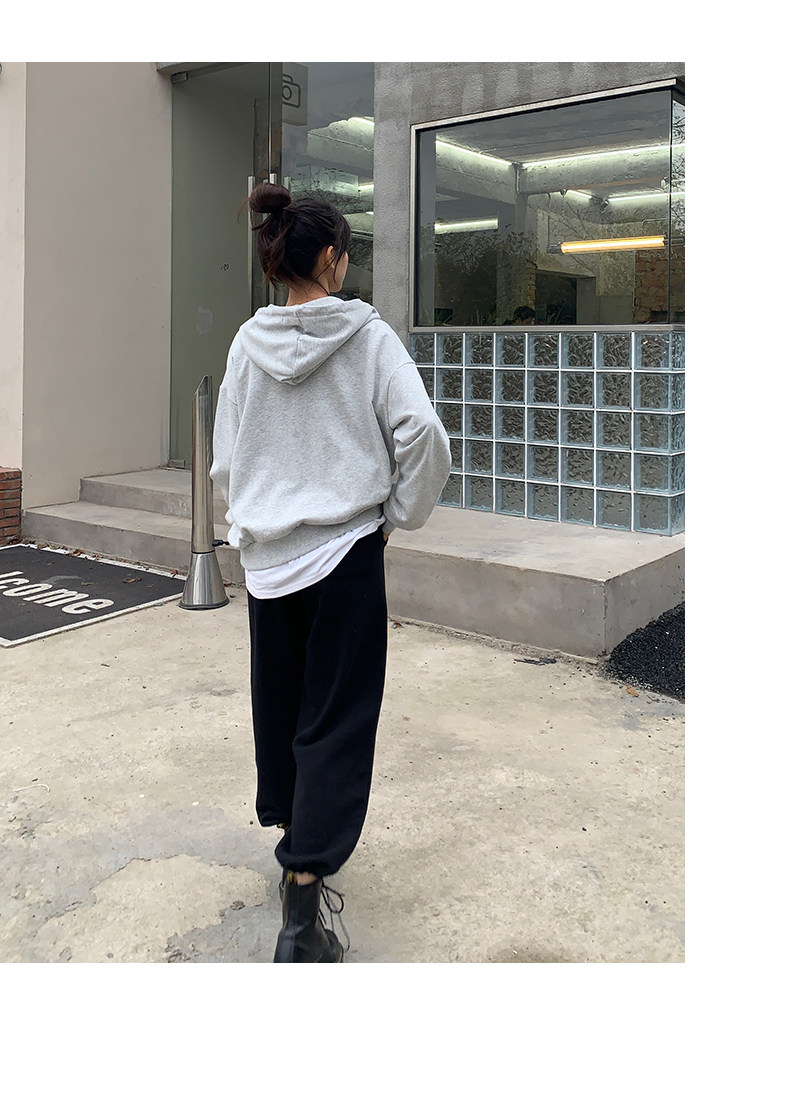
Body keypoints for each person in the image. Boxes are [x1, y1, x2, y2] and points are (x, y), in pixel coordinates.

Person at [210, 182, 451, 962]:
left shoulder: (246, 345)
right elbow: (421, 432)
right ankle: (303, 908)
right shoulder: (368, 336)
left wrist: (252, 516)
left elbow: (225, 458)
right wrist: (398, 513)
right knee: (336, 718)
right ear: (332, 258)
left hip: (268, 563)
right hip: (345, 554)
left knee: (282, 708)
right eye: (347, 252)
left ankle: (293, 835)